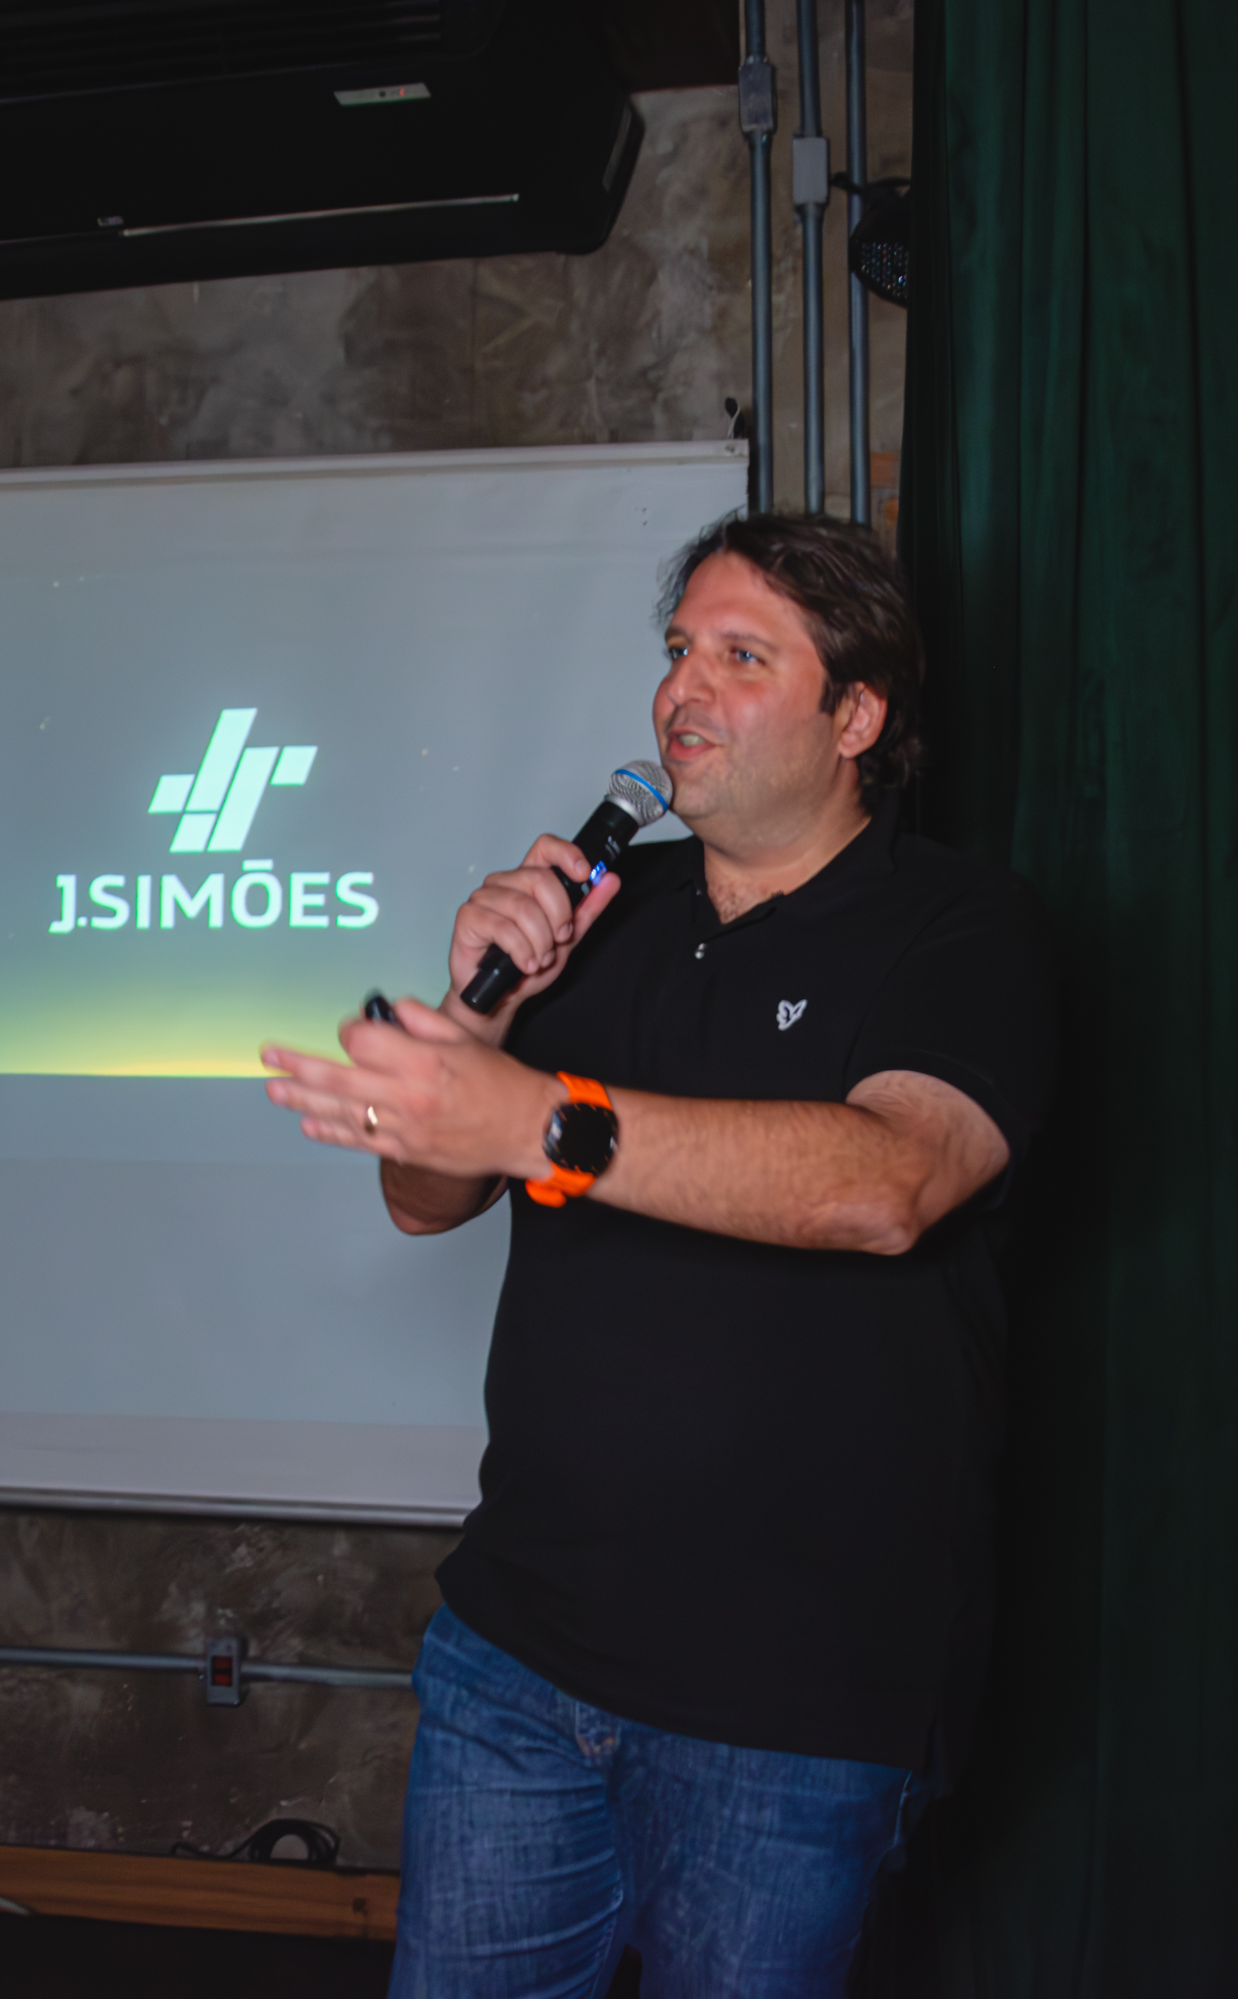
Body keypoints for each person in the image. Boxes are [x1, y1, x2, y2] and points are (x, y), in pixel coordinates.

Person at [263, 513, 1056, 1999]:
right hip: (517, 1657)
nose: (685, 689)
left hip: (795, 1707)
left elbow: (891, 1181)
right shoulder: (602, 920)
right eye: (681, 649)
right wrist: (486, 1019)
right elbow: (422, 1202)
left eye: (744, 658)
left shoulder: (962, 924)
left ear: (857, 717)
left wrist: (541, 1119)